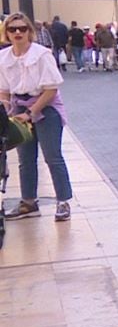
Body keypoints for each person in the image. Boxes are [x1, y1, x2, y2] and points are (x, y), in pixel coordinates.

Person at [0, 13, 72, 221]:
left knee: (52, 156)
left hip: (46, 108)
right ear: (7, 33)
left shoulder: (42, 55)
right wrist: (7, 110)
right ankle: (29, 202)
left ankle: (63, 202)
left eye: (22, 28)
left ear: (30, 31)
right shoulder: (4, 58)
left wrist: (31, 113)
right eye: (13, 29)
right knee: (25, 159)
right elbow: (4, 89)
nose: (18, 33)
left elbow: (51, 89)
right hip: (19, 108)